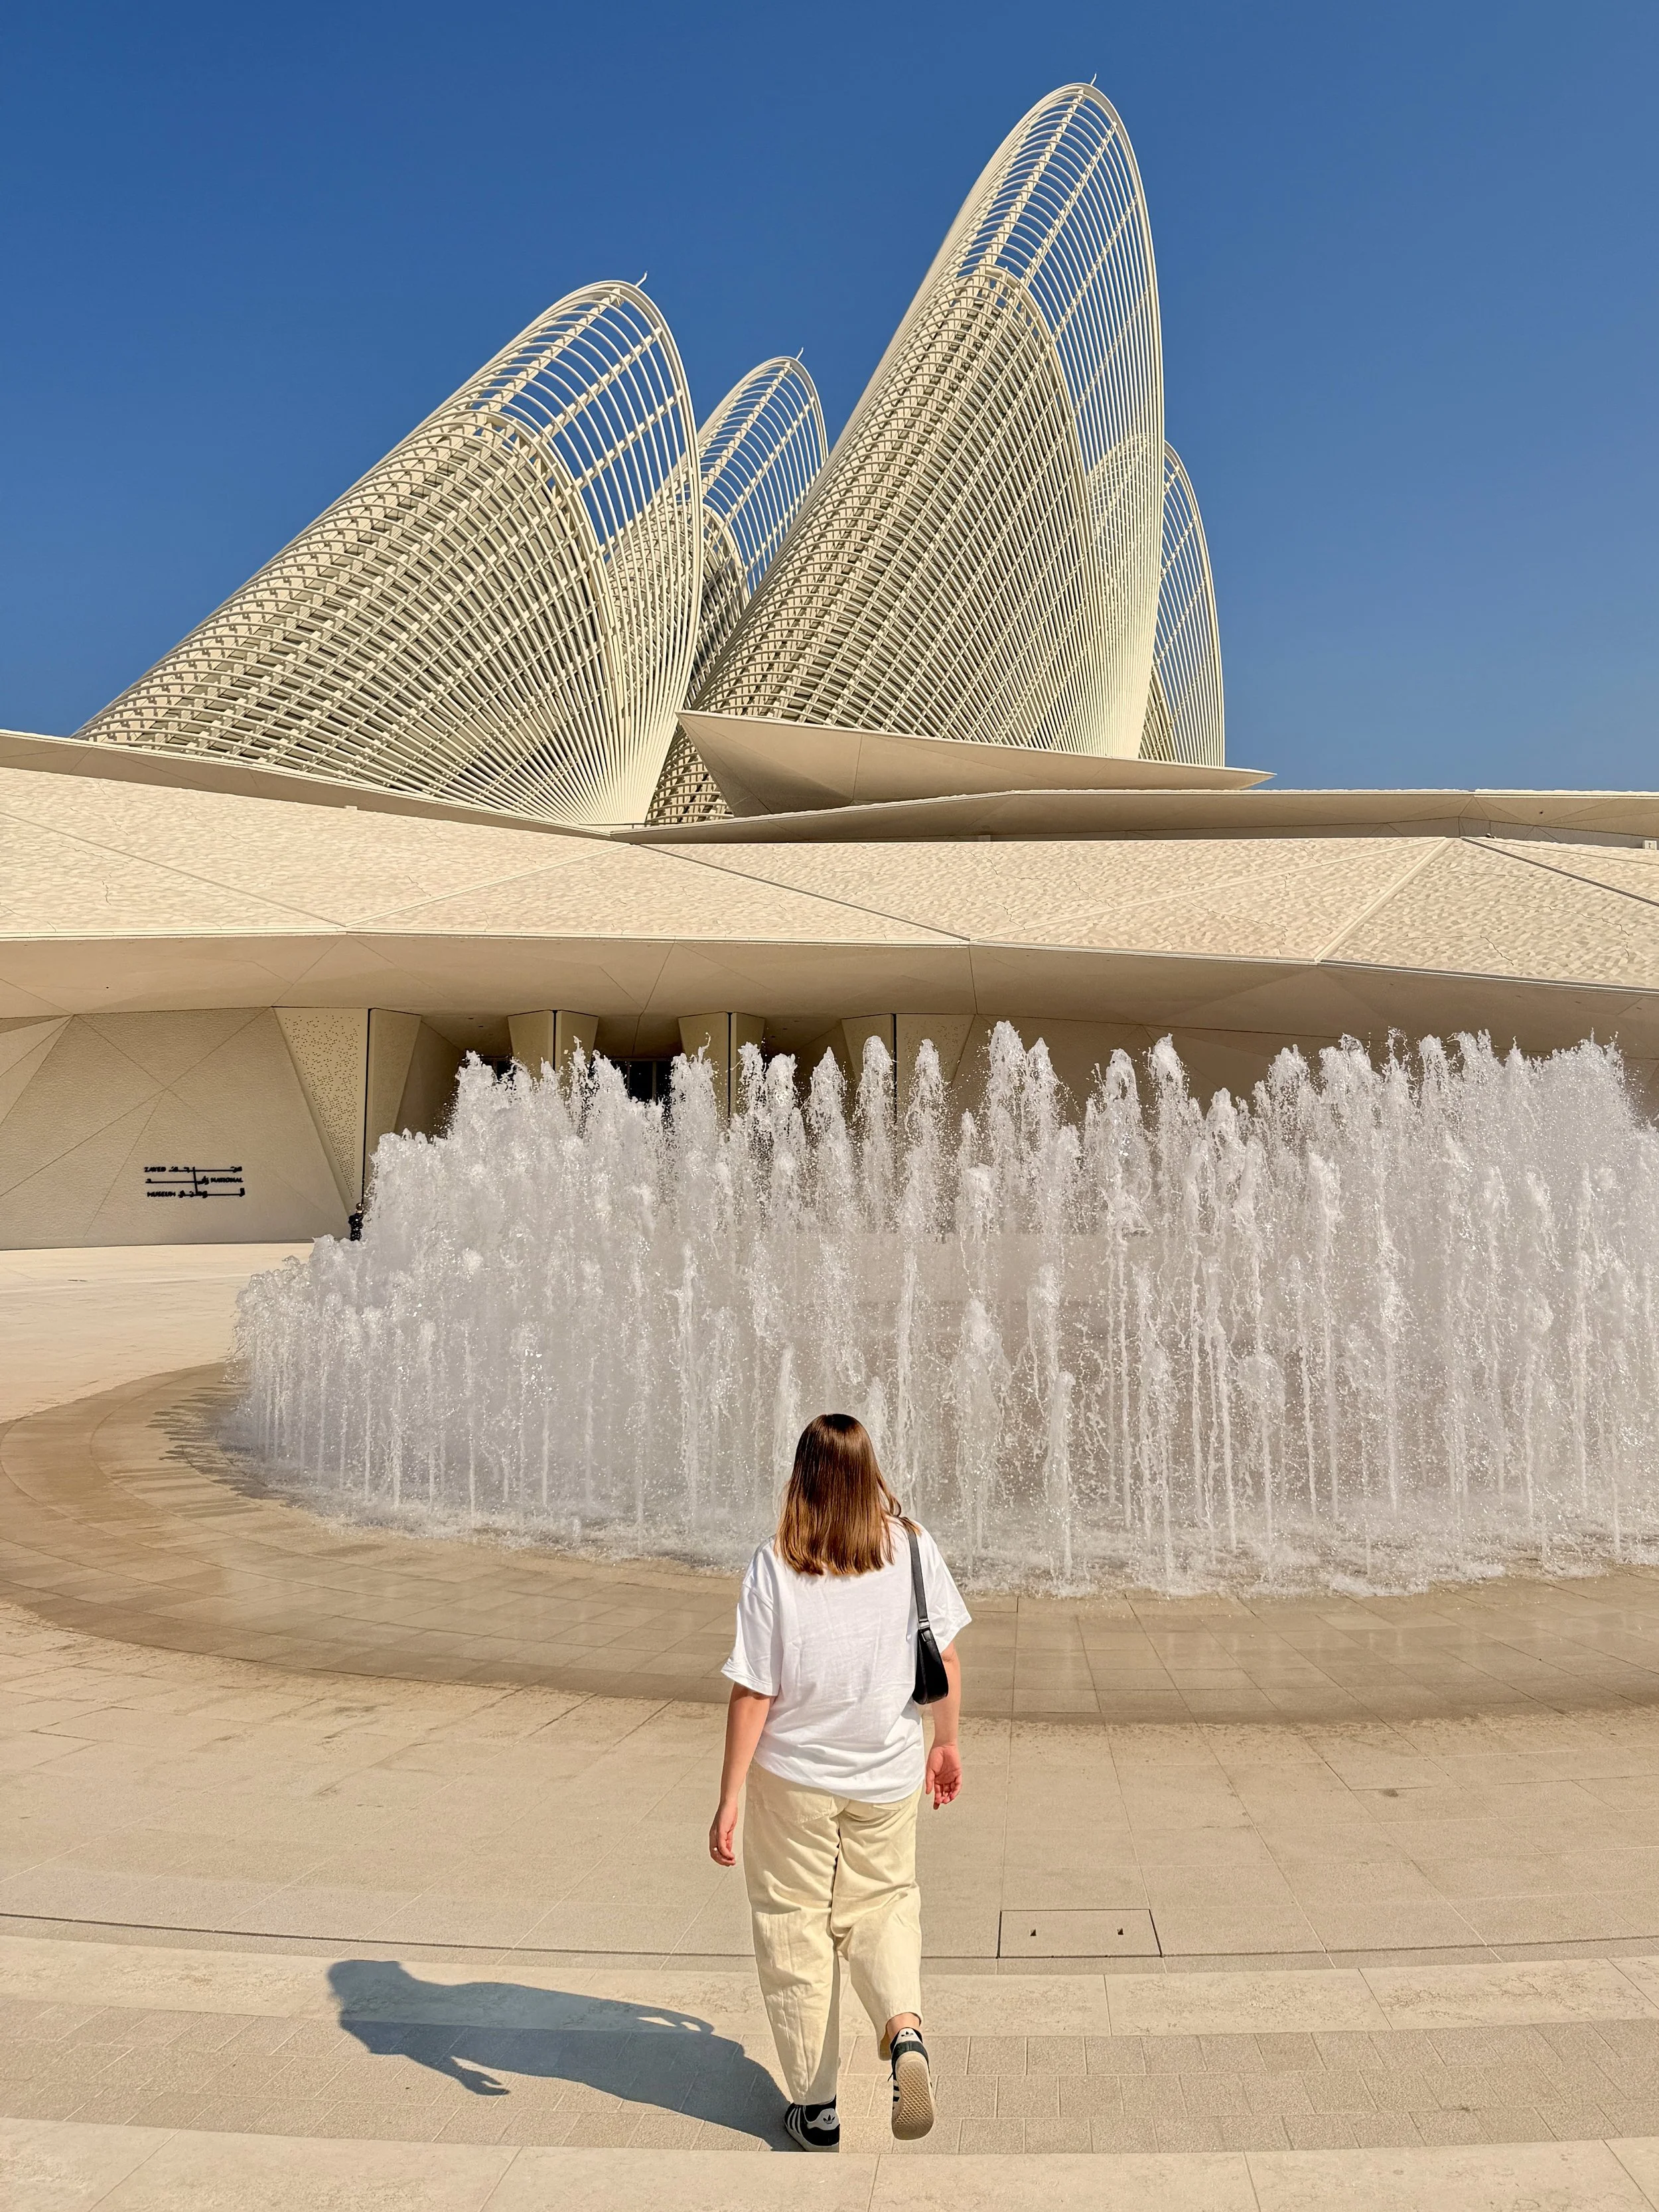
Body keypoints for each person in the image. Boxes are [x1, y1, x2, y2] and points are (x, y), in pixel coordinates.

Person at [708, 1412, 970, 2152]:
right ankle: (904, 2032)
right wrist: (944, 1743)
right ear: (868, 1473)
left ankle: (816, 2109)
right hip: (885, 1773)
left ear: (804, 1476)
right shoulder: (912, 1547)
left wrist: (729, 1795)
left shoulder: (775, 1561)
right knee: (882, 1906)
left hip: (790, 1778)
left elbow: (753, 1692)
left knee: (794, 1924)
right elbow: (943, 1659)